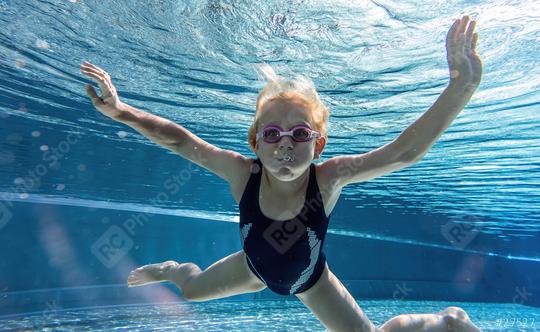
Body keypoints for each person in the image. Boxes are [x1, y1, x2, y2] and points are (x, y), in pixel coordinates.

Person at [81, 15, 482, 332]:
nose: (285, 144)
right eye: (272, 134)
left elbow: (402, 153)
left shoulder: (329, 178)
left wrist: (460, 88)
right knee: (189, 289)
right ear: (254, 142)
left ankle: (445, 321)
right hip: (251, 269)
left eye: (299, 133)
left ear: (318, 144)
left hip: (311, 281)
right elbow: (182, 142)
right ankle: (172, 269)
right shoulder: (243, 173)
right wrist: (120, 111)